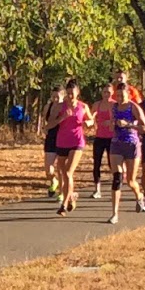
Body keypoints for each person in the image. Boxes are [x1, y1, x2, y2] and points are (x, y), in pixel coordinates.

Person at [45, 81, 91, 216]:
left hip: (77, 142)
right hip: (62, 142)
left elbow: (91, 120)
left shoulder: (83, 106)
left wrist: (89, 122)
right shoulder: (60, 107)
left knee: (69, 172)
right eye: (68, 93)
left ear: (78, 93)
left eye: (73, 94)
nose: (70, 96)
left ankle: (63, 205)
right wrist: (62, 117)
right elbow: (49, 125)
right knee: (63, 174)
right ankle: (71, 196)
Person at [105, 90, 145, 222]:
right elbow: (111, 128)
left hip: (131, 144)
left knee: (131, 181)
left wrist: (128, 125)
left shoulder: (134, 107)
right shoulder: (113, 107)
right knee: (117, 178)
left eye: (122, 96)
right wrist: (112, 125)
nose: (119, 98)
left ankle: (140, 196)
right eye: (117, 96)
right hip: (116, 144)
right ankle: (114, 214)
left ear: (128, 96)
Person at [40, 83, 68, 201]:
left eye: (57, 97)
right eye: (53, 97)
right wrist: (43, 129)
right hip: (50, 137)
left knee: (61, 168)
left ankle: (62, 192)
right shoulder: (48, 106)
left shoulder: (66, 107)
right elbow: (43, 119)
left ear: (63, 97)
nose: (55, 99)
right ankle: (53, 181)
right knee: (48, 169)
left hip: (62, 136)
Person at [90, 84, 116, 199]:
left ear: (112, 92)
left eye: (109, 92)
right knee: (97, 163)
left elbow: (119, 120)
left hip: (112, 138)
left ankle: (116, 187)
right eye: (104, 92)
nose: (106, 94)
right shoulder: (97, 104)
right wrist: (92, 123)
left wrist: (111, 123)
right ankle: (97, 189)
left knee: (112, 164)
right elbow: (90, 117)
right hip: (99, 137)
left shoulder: (115, 104)